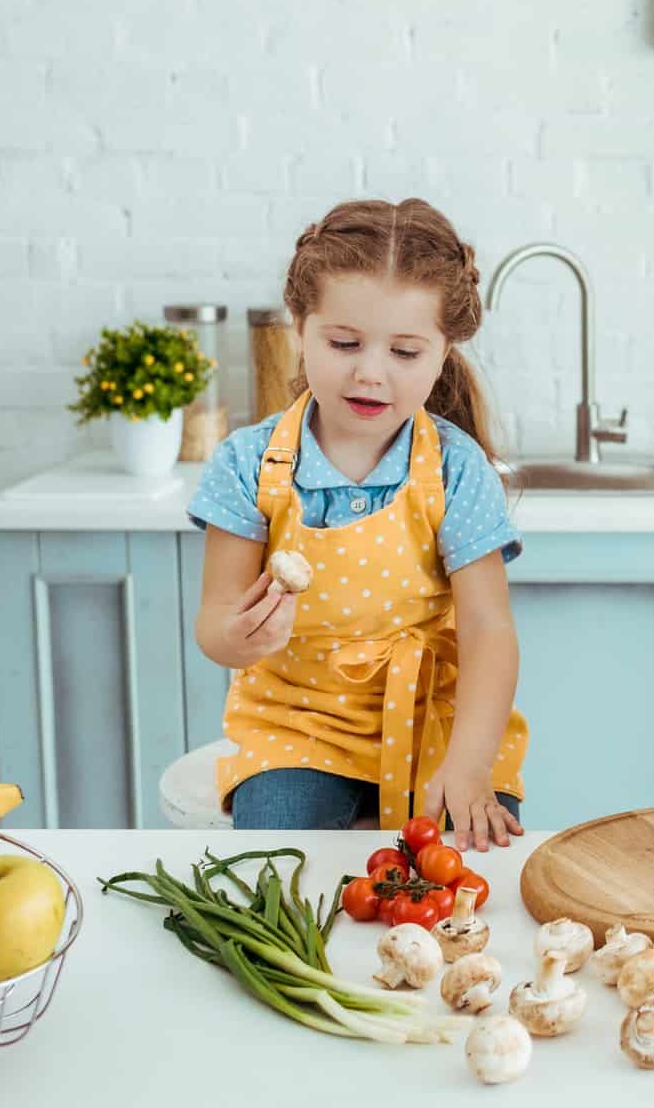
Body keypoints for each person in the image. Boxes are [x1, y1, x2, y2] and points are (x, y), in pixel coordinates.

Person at [188, 198, 527, 850]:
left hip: (442, 721)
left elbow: (489, 629)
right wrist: (240, 637)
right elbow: (214, 622)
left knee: (465, 878)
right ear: (298, 326)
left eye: (405, 351)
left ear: (443, 349)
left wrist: (471, 761)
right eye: (344, 343)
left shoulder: (457, 470)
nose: (371, 371)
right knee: (277, 869)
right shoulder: (247, 463)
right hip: (297, 725)